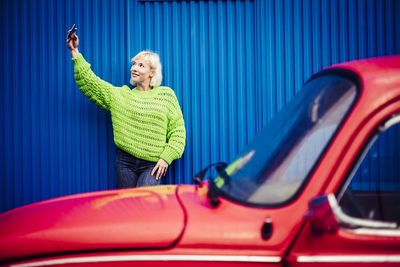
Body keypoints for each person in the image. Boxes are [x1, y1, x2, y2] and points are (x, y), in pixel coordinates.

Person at [66, 26, 186, 188]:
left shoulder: (166, 95)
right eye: (134, 64)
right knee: (128, 207)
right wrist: (75, 52)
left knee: (144, 204)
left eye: (141, 65)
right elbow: (90, 83)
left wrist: (166, 157)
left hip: (152, 164)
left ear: (152, 72)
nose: (134, 68)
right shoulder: (121, 95)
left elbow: (178, 131)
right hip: (125, 163)